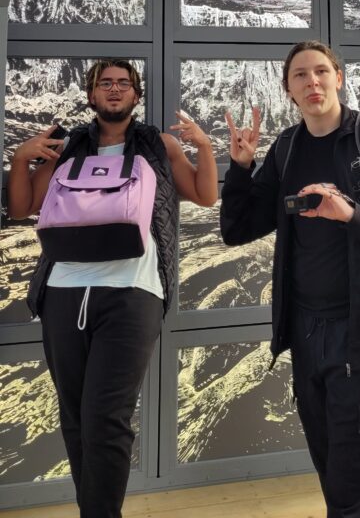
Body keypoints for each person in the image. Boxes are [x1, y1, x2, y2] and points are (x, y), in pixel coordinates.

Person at [221, 40, 360, 518]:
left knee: (359, 478)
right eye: (300, 75)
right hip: (307, 332)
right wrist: (239, 169)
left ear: (339, 78)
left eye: (321, 71)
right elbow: (238, 229)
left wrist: (351, 214)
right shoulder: (288, 147)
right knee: (333, 470)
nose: (312, 81)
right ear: (289, 90)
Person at [7, 58, 218, 518]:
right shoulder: (69, 147)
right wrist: (22, 158)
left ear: (137, 95)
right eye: (106, 84)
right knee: (76, 417)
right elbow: (23, 207)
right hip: (64, 290)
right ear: (92, 95)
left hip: (133, 291)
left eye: (124, 84)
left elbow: (204, 195)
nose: (115, 90)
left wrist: (202, 147)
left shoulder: (158, 145)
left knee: (106, 418)